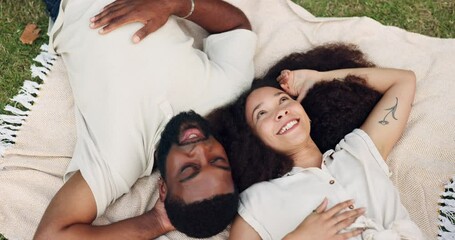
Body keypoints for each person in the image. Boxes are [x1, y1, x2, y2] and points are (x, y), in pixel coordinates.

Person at [34, 0, 257, 238]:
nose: (201, 149)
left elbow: (51, 236)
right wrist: (175, 5)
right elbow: (236, 27)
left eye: (189, 169)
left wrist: (157, 221)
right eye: (217, 161)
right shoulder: (225, 95)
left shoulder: (119, 162)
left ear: (163, 189)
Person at [212, 46, 424, 239]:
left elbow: (403, 81)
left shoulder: (358, 151)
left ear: (306, 112)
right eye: (262, 114)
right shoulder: (258, 200)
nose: (280, 112)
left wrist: (318, 79)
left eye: (283, 100)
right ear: (254, 142)